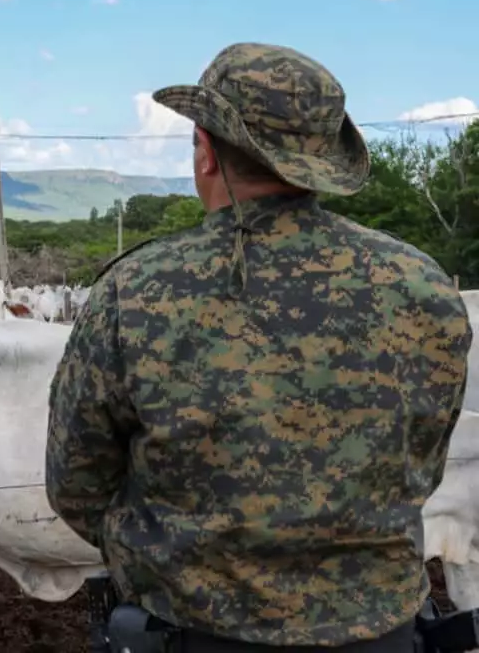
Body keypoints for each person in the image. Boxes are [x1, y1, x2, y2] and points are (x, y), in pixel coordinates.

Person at [44, 42, 473, 651]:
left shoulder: (134, 293)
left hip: (193, 632)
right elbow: (422, 463)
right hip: (383, 634)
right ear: (321, 158)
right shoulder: (424, 286)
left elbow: (76, 486)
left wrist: (178, 560)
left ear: (205, 151)